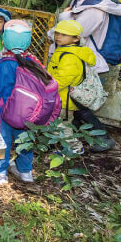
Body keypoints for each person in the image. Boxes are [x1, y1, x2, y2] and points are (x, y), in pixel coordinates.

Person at [55, 0, 120, 151]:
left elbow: (74, 33)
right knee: (74, 105)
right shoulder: (80, 1)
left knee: (78, 104)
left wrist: (62, 20)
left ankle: (102, 138)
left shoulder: (95, 8)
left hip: (85, 64)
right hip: (75, 61)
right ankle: (71, 139)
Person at [0, 21, 53, 185]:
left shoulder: (5, 64)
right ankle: (25, 171)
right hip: (28, 112)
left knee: (2, 140)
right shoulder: (33, 62)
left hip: (5, 112)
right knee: (25, 141)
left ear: (4, 41)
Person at [47, 19, 98, 153]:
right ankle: (62, 147)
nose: (58, 37)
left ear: (76, 39)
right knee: (60, 125)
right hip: (61, 97)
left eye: (64, 35)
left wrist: (46, 89)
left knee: (61, 126)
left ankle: (75, 147)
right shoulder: (66, 50)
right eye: (57, 33)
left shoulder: (70, 56)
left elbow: (63, 80)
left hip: (63, 100)